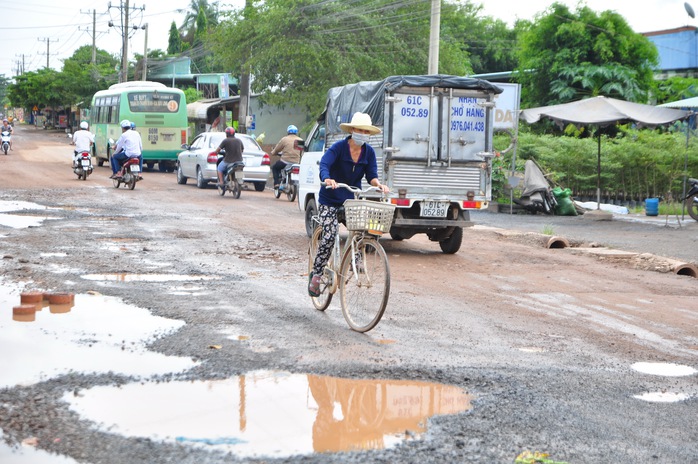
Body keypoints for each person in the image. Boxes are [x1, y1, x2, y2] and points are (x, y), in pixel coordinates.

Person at [308, 112, 389, 297]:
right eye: (360, 130)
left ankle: (356, 259)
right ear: (352, 130)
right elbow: (324, 165)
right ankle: (317, 273)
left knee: (361, 229)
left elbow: (371, 175)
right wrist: (327, 179)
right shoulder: (338, 148)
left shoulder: (368, 152)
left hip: (350, 200)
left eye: (366, 131)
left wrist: (378, 184)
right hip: (329, 200)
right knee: (329, 235)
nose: (363, 134)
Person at [270, 124, 303, 189]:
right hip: (296, 162)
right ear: (296, 132)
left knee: (275, 168)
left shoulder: (284, 139)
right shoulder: (300, 140)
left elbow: (277, 149)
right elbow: (301, 153)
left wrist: (273, 152)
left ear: (288, 132)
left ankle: (276, 183)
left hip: (285, 162)